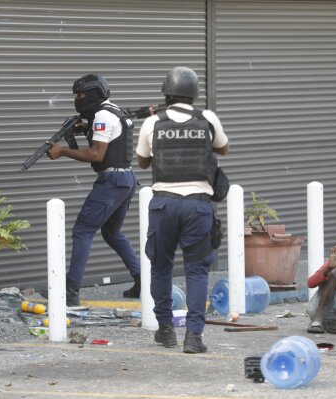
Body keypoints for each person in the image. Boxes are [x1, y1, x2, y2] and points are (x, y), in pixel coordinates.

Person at [135, 66, 229, 353]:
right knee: (197, 271)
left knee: (161, 267)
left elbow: (142, 162)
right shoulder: (207, 118)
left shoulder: (153, 123)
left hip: (164, 203)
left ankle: (165, 331)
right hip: (198, 206)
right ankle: (193, 337)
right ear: (194, 92)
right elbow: (223, 149)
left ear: (166, 92)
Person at [46, 73, 141, 306]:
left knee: (83, 230)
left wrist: (62, 151)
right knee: (112, 232)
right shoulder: (112, 111)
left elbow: (96, 154)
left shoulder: (101, 116)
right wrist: (85, 127)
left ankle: (70, 291)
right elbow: (110, 136)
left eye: (80, 94)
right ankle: (143, 280)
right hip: (126, 179)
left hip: (111, 182)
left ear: (93, 94)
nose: (77, 99)